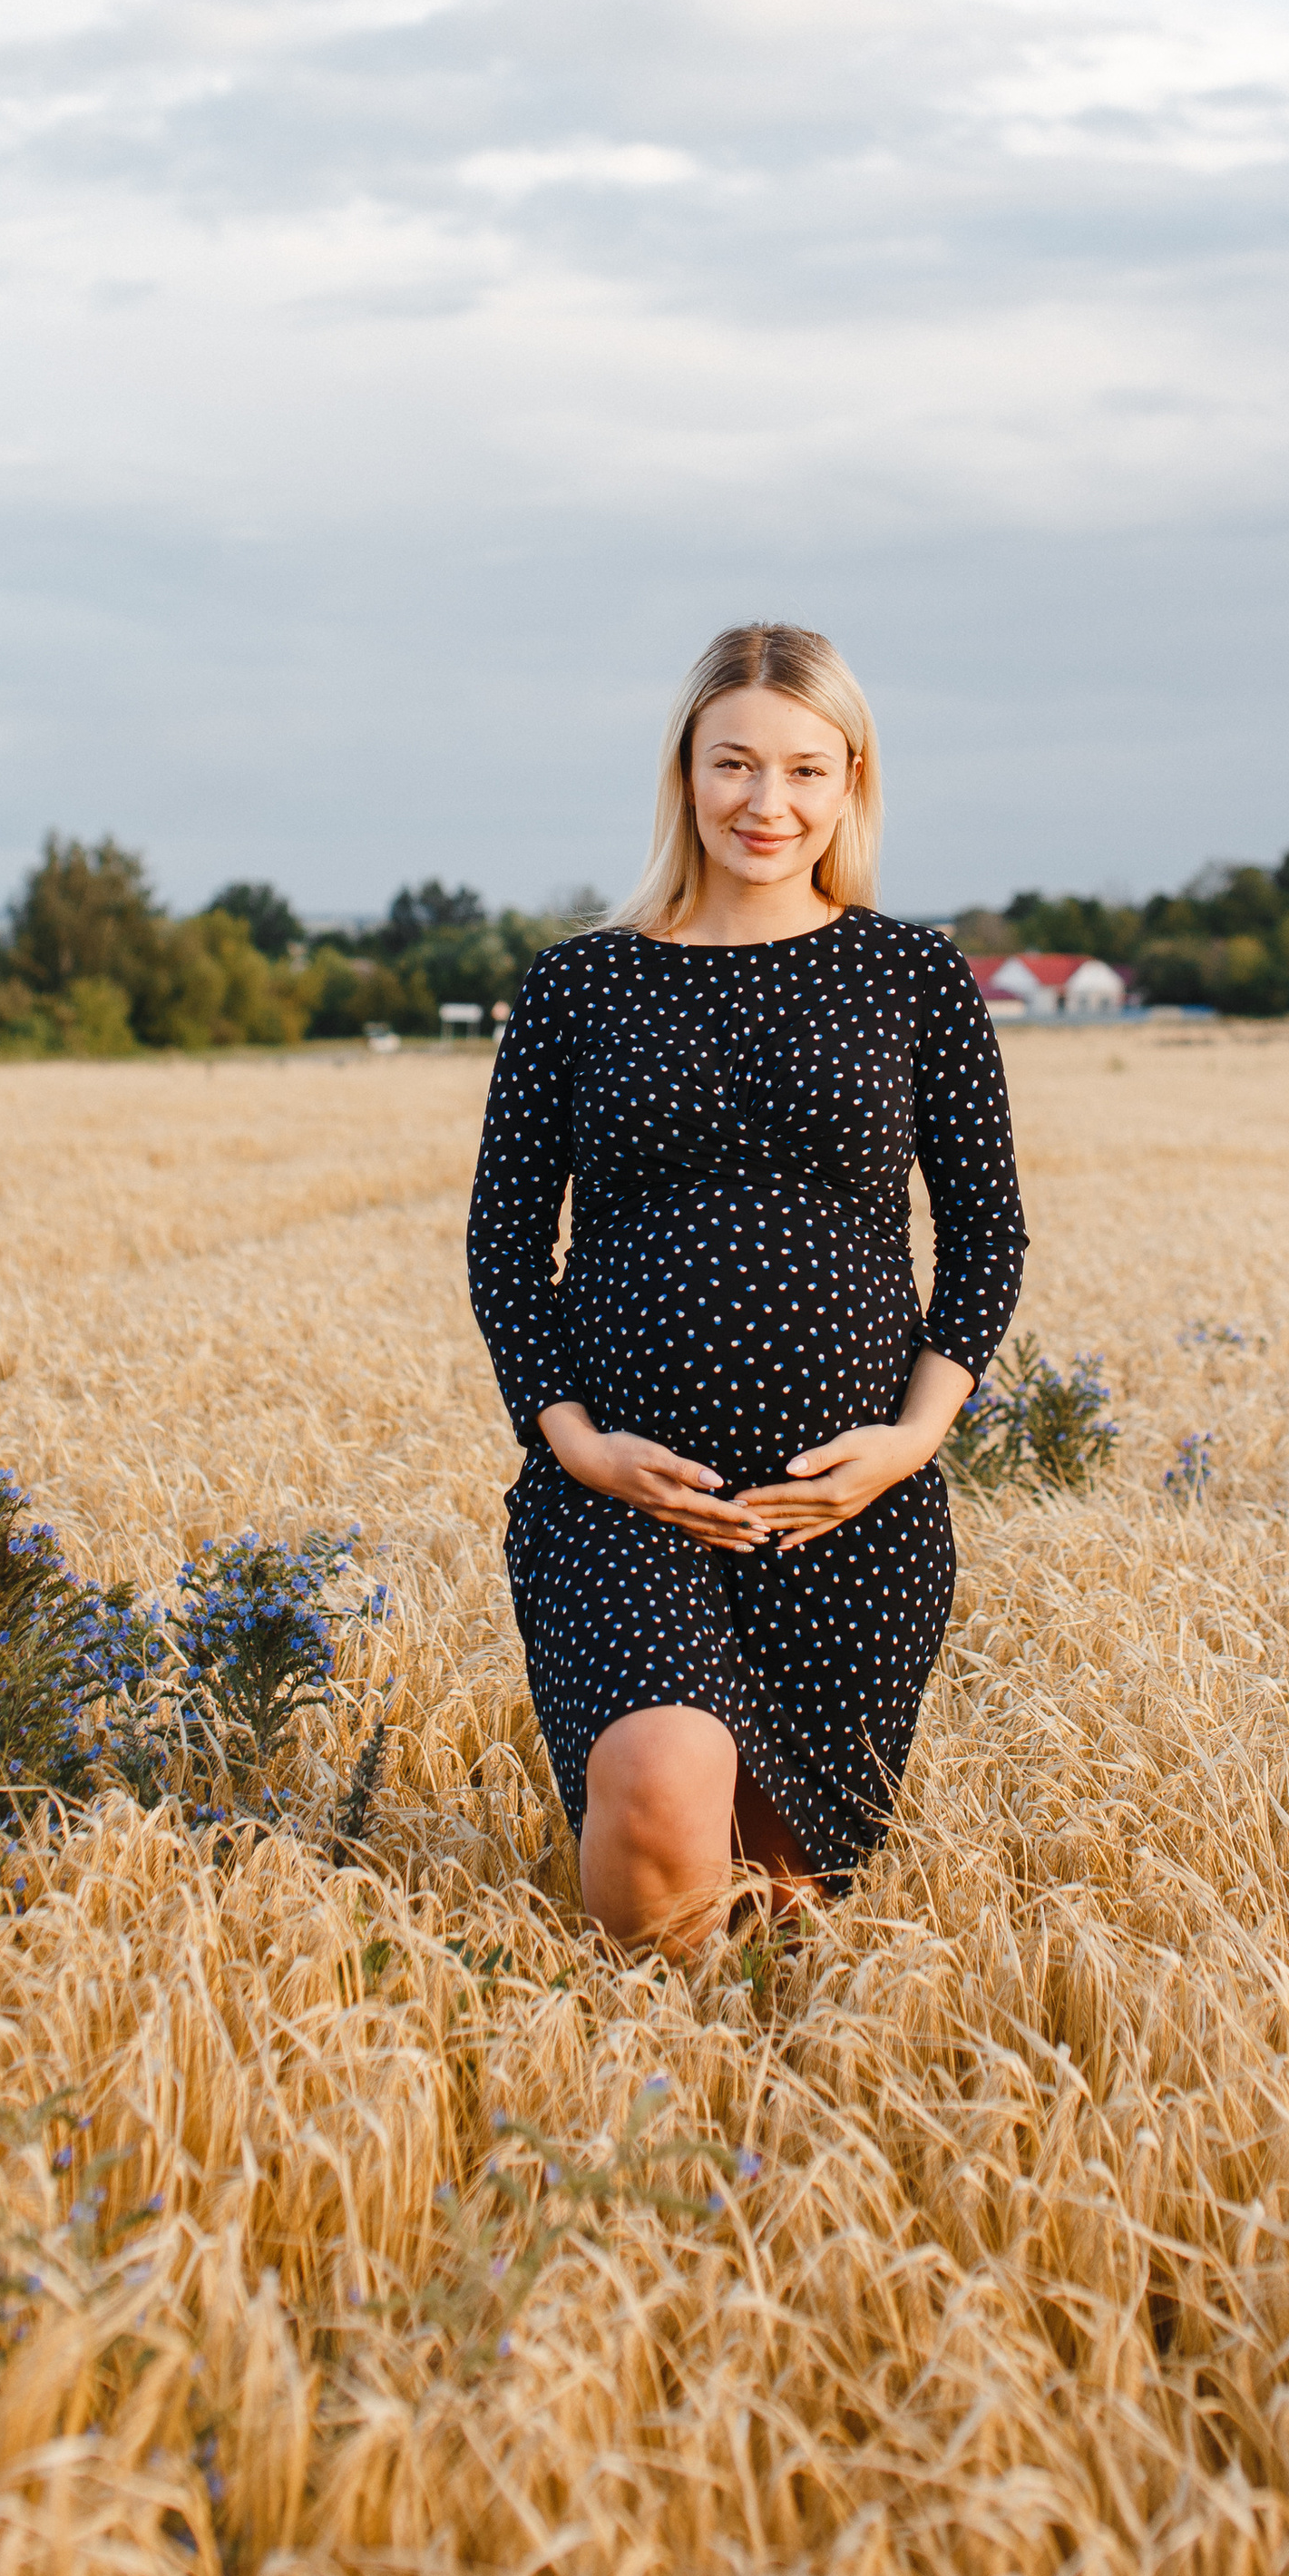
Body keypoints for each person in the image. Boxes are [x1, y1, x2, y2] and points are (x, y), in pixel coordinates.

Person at [464, 620, 1028, 1950]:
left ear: (851, 783)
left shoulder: (912, 977)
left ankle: (738, 2135)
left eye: (803, 770)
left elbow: (988, 1236)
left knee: (778, 1914)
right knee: (661, 1793)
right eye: (734, 765)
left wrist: (907, 1445)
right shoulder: (580, 985)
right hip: (627, 1505)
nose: (765, 804)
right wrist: (578, 1445)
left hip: (848, 1526)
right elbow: (502, 1248)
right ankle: (632, 2110)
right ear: (685, 772)